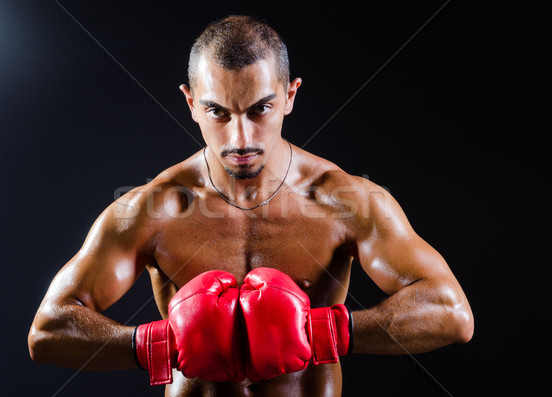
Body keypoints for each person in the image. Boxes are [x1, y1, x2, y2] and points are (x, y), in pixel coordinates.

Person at [28, 15, 473, 397]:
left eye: (260, 109)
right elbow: (48, 330)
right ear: (190, 104)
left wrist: (322, 334)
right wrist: (157, 345)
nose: (240, 139)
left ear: (290, 95)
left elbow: (451, 313)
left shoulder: (345, 200)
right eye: (218, 112)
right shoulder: (151, 209)